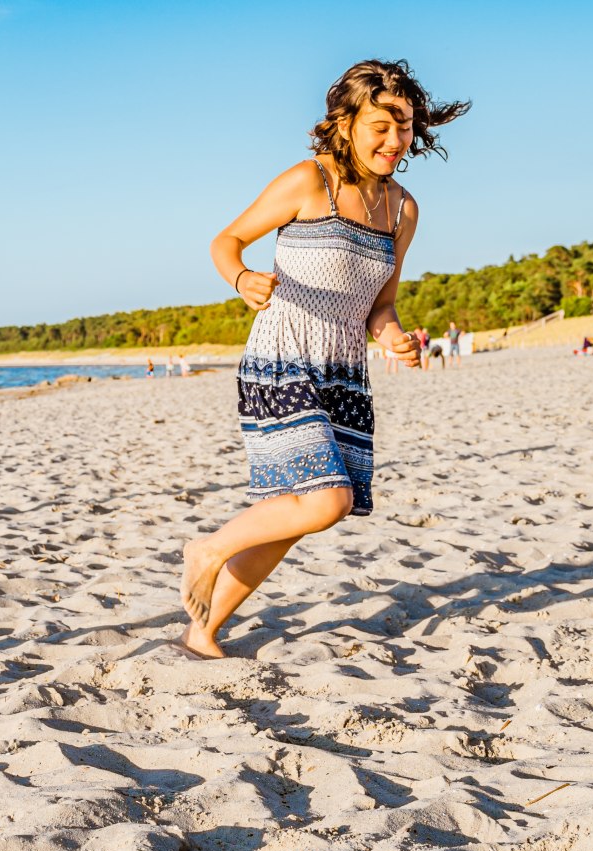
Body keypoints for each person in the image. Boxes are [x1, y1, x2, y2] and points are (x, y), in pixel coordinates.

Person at [180, 59, 467, 656]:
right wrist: (240, 278)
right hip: (282, 360)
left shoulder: (402, 209)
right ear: (347, 122)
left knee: (292, 515)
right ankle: (205, 549)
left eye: (406, 127)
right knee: (325, 502)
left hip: (343, 374)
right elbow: (225, 239)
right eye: (381, 128)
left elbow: (381, 305)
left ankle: (201, 628)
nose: (395, 141)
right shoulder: (309, 182)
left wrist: (393, 337)